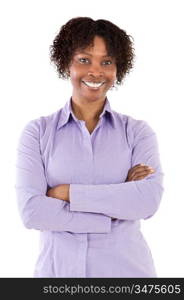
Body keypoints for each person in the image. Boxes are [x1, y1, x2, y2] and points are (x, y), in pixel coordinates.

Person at [15, 17, 164, 277]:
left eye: (106, 62)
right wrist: (114, 207)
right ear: (66, 63)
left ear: (118, 69)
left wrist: (66, 192)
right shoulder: (37, 133)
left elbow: (146, 202)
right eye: (84, 60)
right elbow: (32, 212)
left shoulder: (138, 133)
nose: (96, 72)